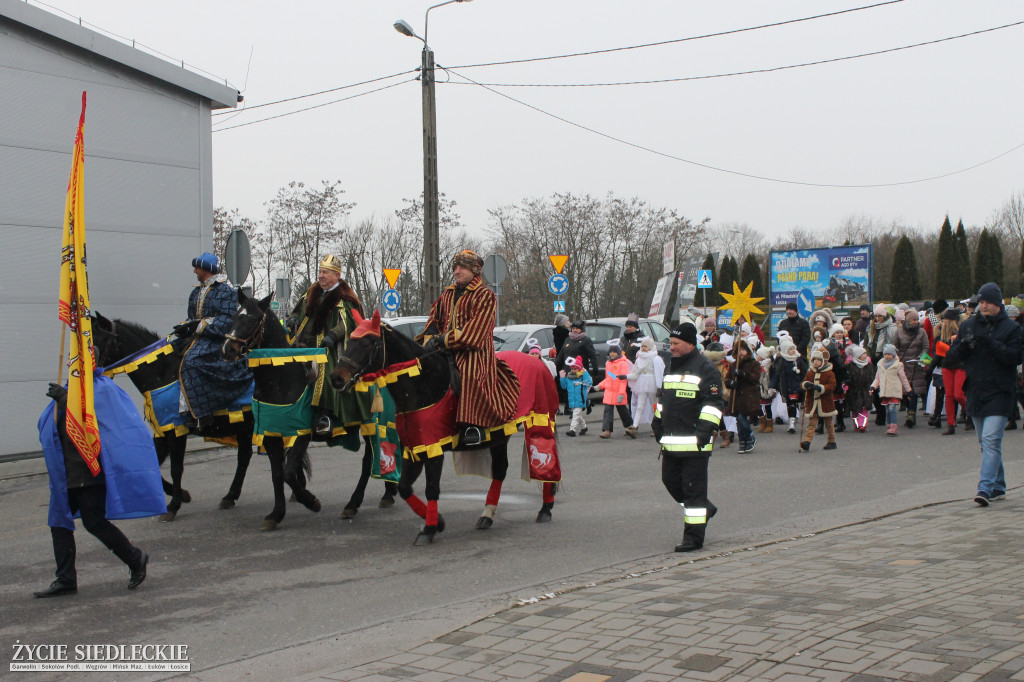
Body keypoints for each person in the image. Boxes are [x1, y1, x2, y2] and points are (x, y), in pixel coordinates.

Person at [35, 374, 165, 597]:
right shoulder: (70, 388)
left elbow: (91, 423)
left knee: (94, 522)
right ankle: (65, 579)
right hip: (65, 471)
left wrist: (65, 401)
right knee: (59, 524)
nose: (72, 364)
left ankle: (135, 559)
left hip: (90, 471)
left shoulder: (102, 390)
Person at [418, 250, 520, 447]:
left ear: (474, 270)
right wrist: (430, 338)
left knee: (468, 374)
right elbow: (434, 320)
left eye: (462, 267)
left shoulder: (485, 296)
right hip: (444, 350)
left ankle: (472, 425)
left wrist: (443, 340)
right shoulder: (447, 294)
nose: (457, 271)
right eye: (455, 267)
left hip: (474, 352)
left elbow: (475, 333)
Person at [945, 282, 1023, 506]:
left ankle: (985, 487)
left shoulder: (1012, 329)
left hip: (1001, 391)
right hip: (976, 389)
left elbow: (1015, 357)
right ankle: (998, 485)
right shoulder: (969, 325)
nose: (984, 305)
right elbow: (951, 358)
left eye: (988, 301)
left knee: (990, 439)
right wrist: (963, 348)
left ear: (998, 303)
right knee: (985, 442)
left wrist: (992, 344)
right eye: (981, 302)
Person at [652, 322, 724, 553]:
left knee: (692, 491)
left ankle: (693, 539)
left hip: (695, 443)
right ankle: (705, 509)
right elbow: (665, 400)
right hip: (671, 441)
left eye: (675, 343)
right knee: (671, 482)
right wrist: (657, 421)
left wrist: (704, 432)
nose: (671, 347)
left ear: (690, 344)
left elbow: (713, 404)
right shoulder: (672, 366)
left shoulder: (706, 368)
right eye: (670, 343)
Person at [288, 254, 372, 441]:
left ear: (336, 275)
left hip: (330, 347)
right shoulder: (311, 292)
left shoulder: (345, 298)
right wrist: (293, 318)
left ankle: (325, 416)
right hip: (304, 345)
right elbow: (298, 310)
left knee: (325, 374)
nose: (321, 276)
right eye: (320, 271)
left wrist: (333, 335)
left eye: (325, 272)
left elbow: (348, 322)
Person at [173, 253, 253, 433]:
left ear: (205, 269)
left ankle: (201, 412)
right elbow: (192, 318)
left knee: (191, 361)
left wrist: (200, 326)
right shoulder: (196, 291)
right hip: (196, 338)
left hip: (215, 340)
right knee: (169, 353)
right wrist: (185, 326)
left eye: (197, 268)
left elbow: (226, 320)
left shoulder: (226, 292)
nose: (194, 271)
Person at [894, 308, 929, 428]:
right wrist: (897, 358)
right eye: (913, 319)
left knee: (913, 391)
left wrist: (921, 357)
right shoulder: (899, 331)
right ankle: (909, 408)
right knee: (904, 391)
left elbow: (925, 346)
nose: (916, 321)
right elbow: (895, 347)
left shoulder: (922, 332)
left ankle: (911, 413)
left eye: (917, 319)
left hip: (917, 364)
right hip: (903, 365)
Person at [935, 307, 967, 435]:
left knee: (958, 394)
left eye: (946, 320)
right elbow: (939, 353)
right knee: (949, 395)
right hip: (947, 365)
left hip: (960, 365)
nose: (943, 322)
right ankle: (950, 424)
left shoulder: (961, 333)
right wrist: (931, 366)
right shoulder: (941, 333)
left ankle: (971, 411)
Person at [727, 338, 762, 453]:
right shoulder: (733, 365)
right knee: (739, 420)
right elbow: (727, 379)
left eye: (743, 349)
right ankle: (743, 441)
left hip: (749, 396)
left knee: (742, 418)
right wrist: (730, 383)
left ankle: (750, 436)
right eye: (738, 350)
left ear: (747, 350)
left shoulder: (754, 363)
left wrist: (743, 374)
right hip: (736, 396)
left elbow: (755, 377)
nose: (741, 352)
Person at [800, 347, 838, 451]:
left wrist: (821, 388)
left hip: (825, 402)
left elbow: (832, 386)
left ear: (823, 361)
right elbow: (803, 382)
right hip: (813, 402)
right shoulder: (810, 373)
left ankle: (831, 440)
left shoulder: (829, 373)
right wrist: (805, 384)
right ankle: (807, 441)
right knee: (811, 423)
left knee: (829, 423)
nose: (816, 362)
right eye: (814, 360)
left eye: (818, 360)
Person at [870, 343, 911, 436]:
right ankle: (889, 425)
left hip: (894, 390)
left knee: (892, 409)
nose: (887, 356)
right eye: (885, 354)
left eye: (889, 354)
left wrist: (908, 389)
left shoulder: (898, 365)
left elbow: (903, 378)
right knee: (887, 409)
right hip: (884, 391)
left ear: (893, 355)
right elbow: (877, 378)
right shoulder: (880, 364)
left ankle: (893, 426)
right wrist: (873, 386)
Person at [626, 337, 664, 436]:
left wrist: (660, 387)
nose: (643, 348)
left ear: (650, 347)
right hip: (642, 383)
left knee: (654, 406)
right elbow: (635, 373)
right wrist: (625, 376)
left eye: (645, 346)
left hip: (652, 384)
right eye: (642, 346)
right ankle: (634, 426)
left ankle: (657, 426)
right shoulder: (639, 359)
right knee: (640, 405)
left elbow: (660, 373)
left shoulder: (656, 359)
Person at [866, 304, 898, 425]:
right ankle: (880, 412)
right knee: (874, 388)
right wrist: (868, 354)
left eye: (880, 316)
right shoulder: (871, 327)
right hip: (873, 360)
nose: (878, 318)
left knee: (884, 388)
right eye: (876, 316)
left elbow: (894, 344)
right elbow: (866, 343)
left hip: (886, 360)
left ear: (885, 316)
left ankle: (884, 414)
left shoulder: (891, 328)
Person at [770, 336, 807, 434]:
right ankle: (792, 422)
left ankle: (792, 422)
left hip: (798, 386)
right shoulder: (782, 361)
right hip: (787, 387)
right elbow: (776, 375)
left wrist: (807, 383)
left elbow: (804, 372)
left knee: (794, 404)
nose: (793, 351)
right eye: (790, 349)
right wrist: (772, 386)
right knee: (790, 404)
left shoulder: (799, 359)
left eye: (793, 348)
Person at [597, 340, 633, 438]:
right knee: (607, 411)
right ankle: (607, 430)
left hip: (618, 392)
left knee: (623, 411)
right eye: (611, 351)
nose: (612, 353)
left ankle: (630, 427)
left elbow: (623, 380)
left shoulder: (623, 363)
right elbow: (610, 377)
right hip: (609, 391)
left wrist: (621, 393)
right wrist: (600, 385)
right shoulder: (608, 363)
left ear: (619, 352)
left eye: (614, 351)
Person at [559, 355, 592, 437]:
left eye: (575, 369)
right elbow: (564, 386)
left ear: (580, 368)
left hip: (580, 400)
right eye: (572, 369)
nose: (573, 370)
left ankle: (572, 430)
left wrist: (585, 373)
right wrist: (562, 378)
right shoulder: (569, 377)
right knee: (578, 415)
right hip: (572, 400)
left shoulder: (582, 376)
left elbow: (589, 382)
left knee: (575, 415)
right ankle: (584, 427)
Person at [845, 345, 874, 432]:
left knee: (864, 408)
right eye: (863, 353)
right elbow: (847, 378)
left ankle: (862, 425)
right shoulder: (850, 366)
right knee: (855, 409)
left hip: (865, 390)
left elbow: (872, 377)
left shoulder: (869, 366)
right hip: (853, 390)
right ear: (857, 355)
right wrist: (846, 385)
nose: (865, 355)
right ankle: (857, 425)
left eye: (865, 353)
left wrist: (872, 387)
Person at [552, 314, 572, 414]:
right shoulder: (564, 334)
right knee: (565, 384)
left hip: (560, 361)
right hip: (563, 361)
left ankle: (560, 407)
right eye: (567, 321)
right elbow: (563, 349)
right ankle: (565, 407)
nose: (569, 322)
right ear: (563, 323)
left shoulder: (560, 333)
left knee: (560, 385)